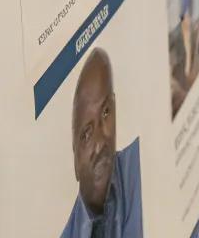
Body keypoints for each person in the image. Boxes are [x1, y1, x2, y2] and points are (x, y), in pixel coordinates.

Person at [59, 49, 142, 238]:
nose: (100, 144)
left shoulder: (140, 164)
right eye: (86, 135)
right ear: (75, 162)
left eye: (106, 112)